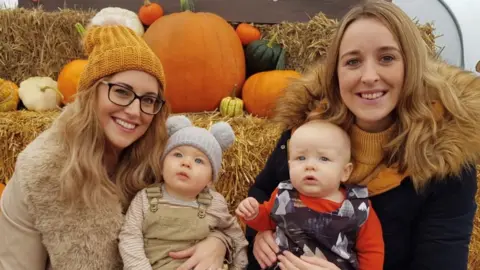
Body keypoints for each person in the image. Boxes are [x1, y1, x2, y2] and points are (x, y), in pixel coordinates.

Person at [246, 1, 480, 270]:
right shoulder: (306, 128)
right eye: (353, 61)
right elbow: (263, 191)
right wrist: (257, 235)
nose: (369, 76)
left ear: (412, 65)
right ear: (336, 72)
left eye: (387, 58)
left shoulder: (445, 157)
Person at [0, 22, 233, 270]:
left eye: (148, 99)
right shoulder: (40, 171)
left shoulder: (167, 158)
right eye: (122, 92)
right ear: (92, 93)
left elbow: (211, 211)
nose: (134, 111)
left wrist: (218, 243)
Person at [236, 120, 384, 270]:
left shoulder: (359, 208)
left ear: (345, 172)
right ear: (289, 165)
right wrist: (253, 213)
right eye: (301, 158)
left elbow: (372, 251)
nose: (310, 166)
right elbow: (266, 220)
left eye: (324, 159)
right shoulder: (284, 194)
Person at [119, 115, 249, 270]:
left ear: (210, 179)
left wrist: (239, 265)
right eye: (178, 154)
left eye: (199, 160)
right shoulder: (146, 198)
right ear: (161, 165)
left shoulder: (213, 203)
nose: (186, 163)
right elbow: (130, 236)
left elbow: (235, 236)